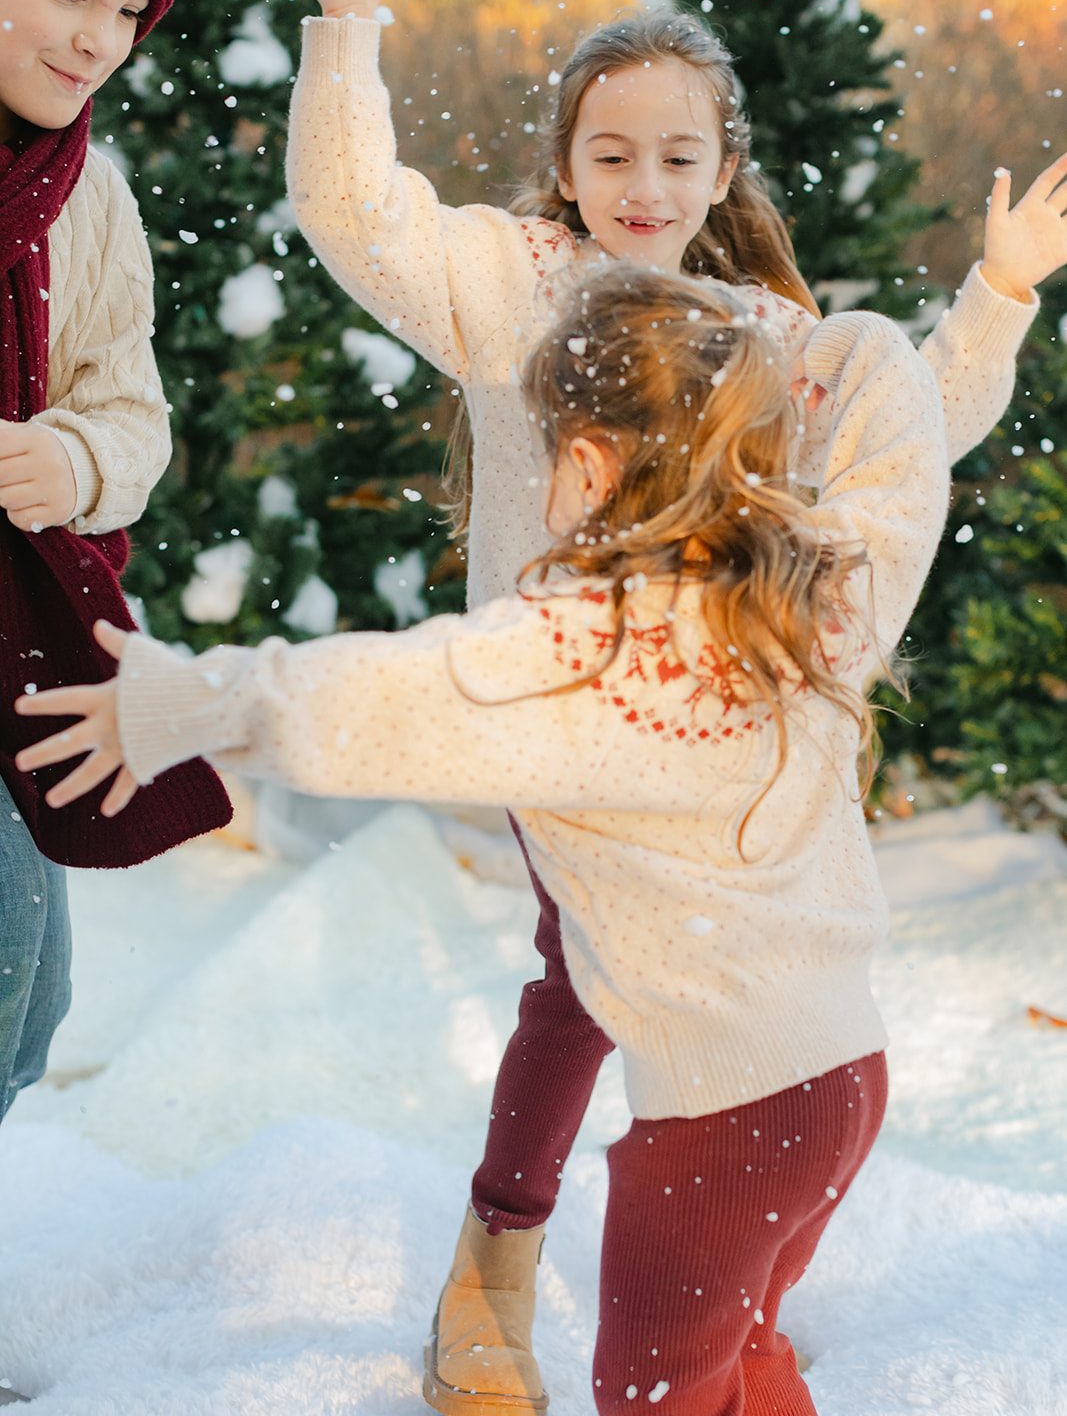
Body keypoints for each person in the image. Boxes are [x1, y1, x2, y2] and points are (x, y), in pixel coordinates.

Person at [282, 0, 1067, 1414]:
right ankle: (499, 1259)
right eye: (610, 154)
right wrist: (350, 26)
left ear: (721, 168)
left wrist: (997, 294)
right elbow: (354, 213)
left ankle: (715, 1296)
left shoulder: (757, 328)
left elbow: (907, 430)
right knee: (586, 977)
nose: (642, 185)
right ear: (566, 162)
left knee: (704, 987)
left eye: (674, 156)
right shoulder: (512, 280)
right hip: (569, 711)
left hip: (713, 725)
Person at [19, 261, 952, 1415]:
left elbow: (378, 695)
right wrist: (830, 348)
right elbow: (900, 450)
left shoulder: (590, 652)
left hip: (719, 1125)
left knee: (657, 1395)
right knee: (742, 1345)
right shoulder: (814, 586)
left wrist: (181, 700)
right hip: (840, 1083)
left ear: (588, 468)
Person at [0, 0, 231, 1323]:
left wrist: (72, 462)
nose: (100, 38)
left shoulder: (88, 194)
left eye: (130, 9)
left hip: (15, 642)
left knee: (29, 1000)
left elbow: (133, 414)